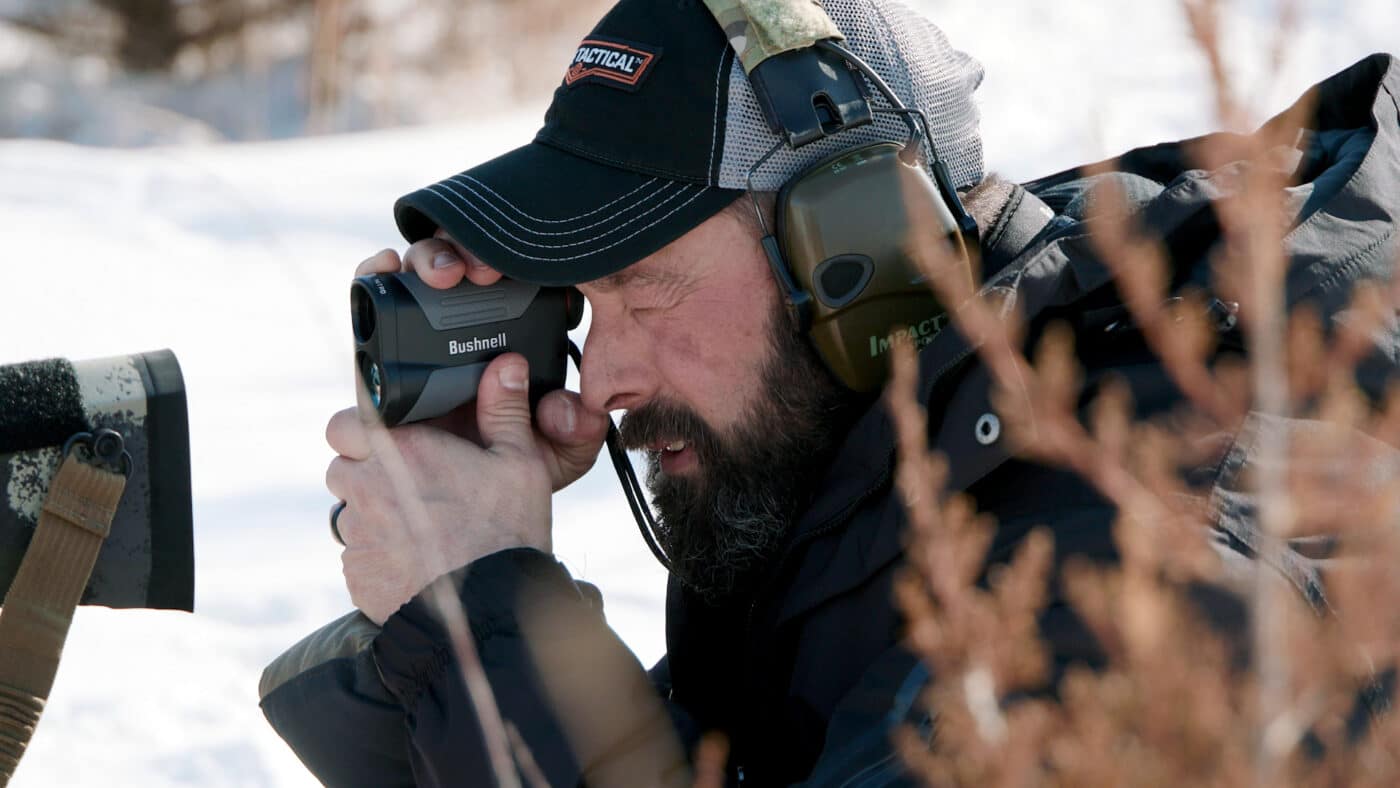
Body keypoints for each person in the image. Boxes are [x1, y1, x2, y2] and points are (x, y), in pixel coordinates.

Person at [258, 0, 1400, 784]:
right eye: (583, 303)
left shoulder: (1131, 567)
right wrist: (451, 554)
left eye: (640, 290)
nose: (600, 379)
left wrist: (486, 618)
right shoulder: (866, 475)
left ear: (860, 248)